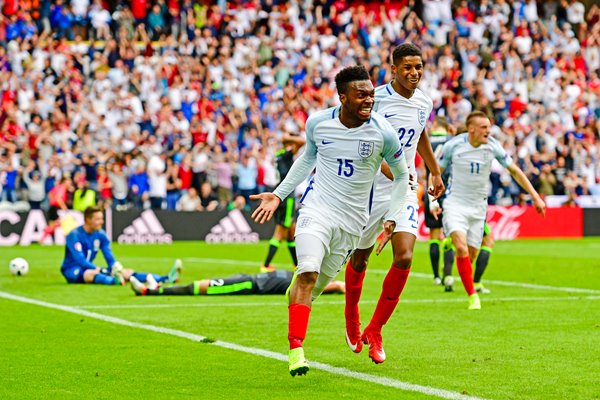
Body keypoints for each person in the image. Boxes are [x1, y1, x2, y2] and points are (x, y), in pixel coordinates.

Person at [250, 65, 409, 377]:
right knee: (307, 271)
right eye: (361, 95)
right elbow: (307, 158)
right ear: (343, 97)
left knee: (316, 286)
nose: (369, 100)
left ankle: (297, 296)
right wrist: (279, 195)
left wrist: (391, 219)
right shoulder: (318, 122)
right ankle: (296, 349)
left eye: (371, 95)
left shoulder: (382, 132)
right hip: (317, 209)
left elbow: (402, 175)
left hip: (353, 223)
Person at [344, 43, 445, 364]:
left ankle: (375, 329)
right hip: (370, 187)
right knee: (359, 259)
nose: (414, 73)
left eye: (419, 67)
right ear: (394, 69)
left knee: (404, 256)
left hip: (404, 187)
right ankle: (351, 314)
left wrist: (435, 171)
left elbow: (421, 134)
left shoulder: (424, 100)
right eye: (408, 68)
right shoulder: (375, 98)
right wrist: (388, 167)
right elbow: (360, 136)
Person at [432, 111, 546, 309]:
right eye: (484, 127)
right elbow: (436, 172)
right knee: (461, 247)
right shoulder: (454, 145)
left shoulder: (492, 146)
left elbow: (515, 171)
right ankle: (472, 296)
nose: (489, 131)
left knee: (471, 255)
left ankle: (453, 248)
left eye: (489, 127)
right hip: (455, 203)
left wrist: (535, 196)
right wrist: (432, 199)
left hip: (478, 207)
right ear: (472, 129)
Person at [60, 206, 181, 286]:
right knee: (91, 274)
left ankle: (164, 278)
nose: (101, 222)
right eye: (97, 219)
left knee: (127, 272)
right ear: (87, 220)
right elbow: (80, 260)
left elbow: (109, 256)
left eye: (101, 219)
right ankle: (114, 281)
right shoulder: (74, 235)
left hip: (91, 267)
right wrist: (100, 269)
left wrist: (115, 267)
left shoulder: (100, 235)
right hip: (72, 270)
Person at [261, 133, 306, 273]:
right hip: (287, 196)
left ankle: (296, 264)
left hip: (280, 195)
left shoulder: (278, 154)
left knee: (291, 231)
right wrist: (289, 138)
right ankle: (266, 265)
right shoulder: (286, 154)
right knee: (281, 231)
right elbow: (301, 142)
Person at [130, 269, 345, 296]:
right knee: (204, 283)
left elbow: (323, 287)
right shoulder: (298, 275)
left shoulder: (301, 284)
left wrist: (340, 286)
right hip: (245, 278)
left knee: (202, 288)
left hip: (247, 285)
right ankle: (157, 287)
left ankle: (153, 292)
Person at [441, 221, 494, 294]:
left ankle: (448, 277)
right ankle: (476, 283)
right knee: (487, 242)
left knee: (453, 239)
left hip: (452, 214)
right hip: (473, 214)